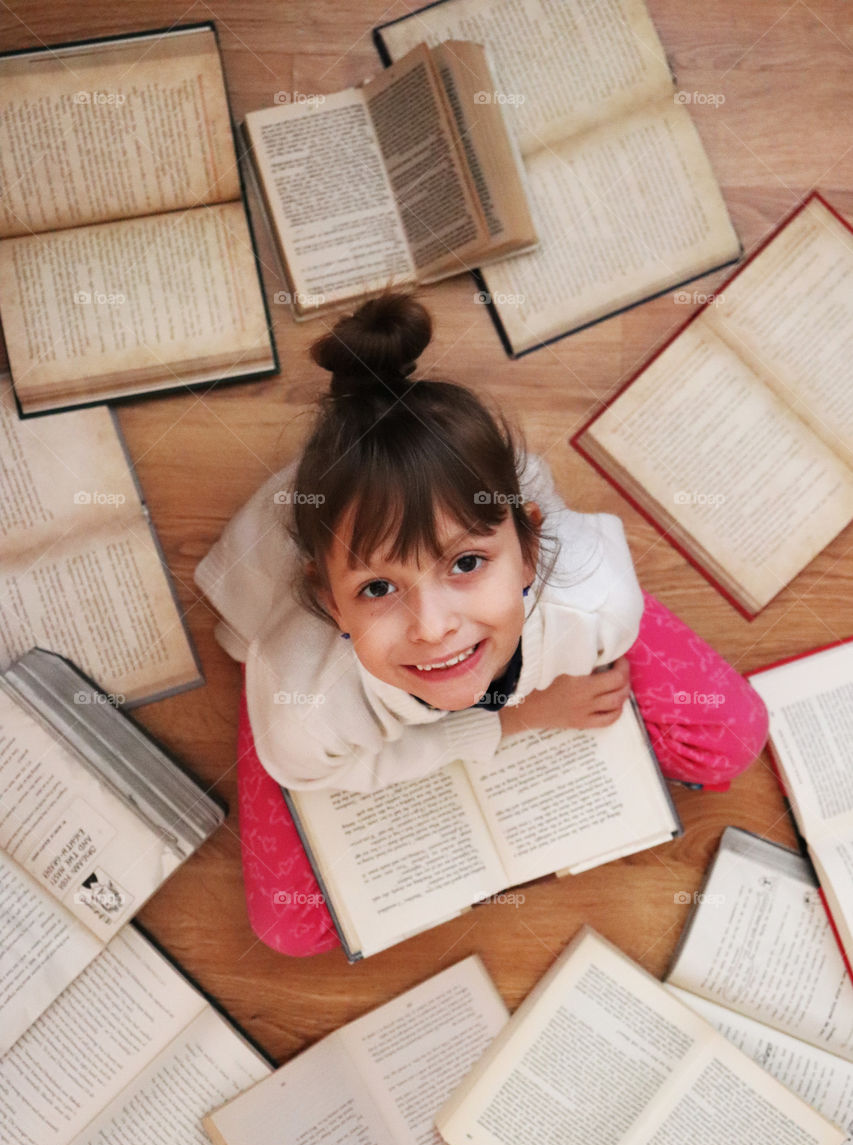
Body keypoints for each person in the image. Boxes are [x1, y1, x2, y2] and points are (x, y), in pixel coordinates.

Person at [195, 292, 768, 956]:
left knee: (731, 736)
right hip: (290, 612)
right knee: (294, 927)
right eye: (378, 587)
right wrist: (508, 721)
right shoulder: (306, 709)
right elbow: (323, 774)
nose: (433, 627)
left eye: (464, 564)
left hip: (531, 559)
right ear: (328, 602)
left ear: (529, 548)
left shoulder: (595, 605)